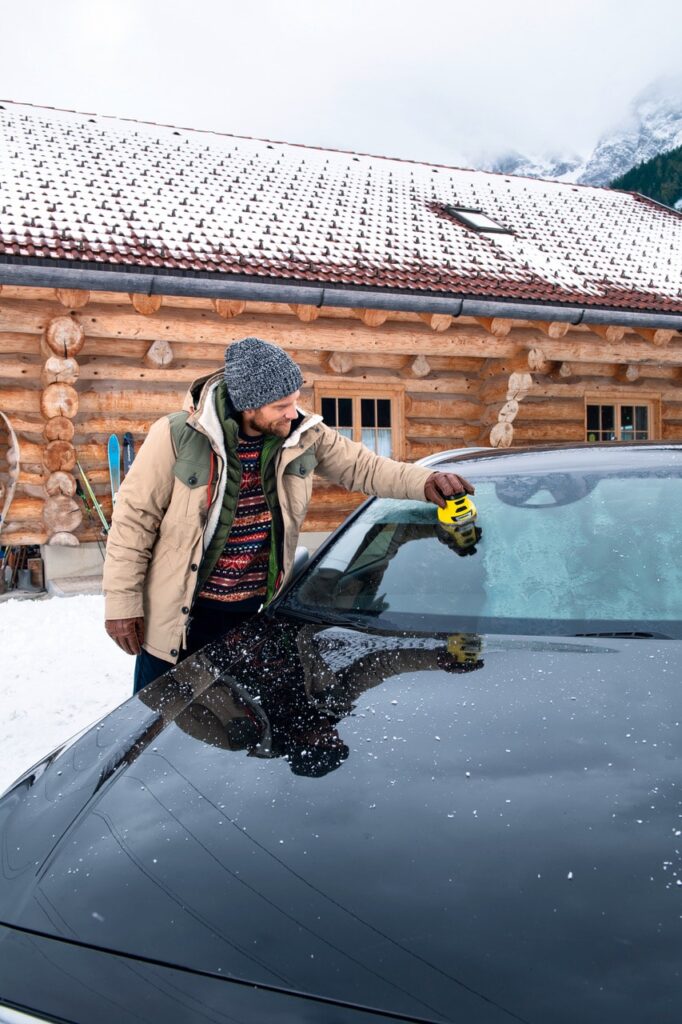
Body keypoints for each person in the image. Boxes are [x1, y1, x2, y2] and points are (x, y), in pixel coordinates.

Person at [103, 336, 474, 692]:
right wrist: (122, 604)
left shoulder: (303, 433)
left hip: (249, 618)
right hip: (179, 618)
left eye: (295, 400)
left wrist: (427, 482)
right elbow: (134, 520)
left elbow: (365, 468)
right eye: (281, 405)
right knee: (157, 730)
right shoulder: (178, 435)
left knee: (237, 733)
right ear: (249, 405)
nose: (293, 413)